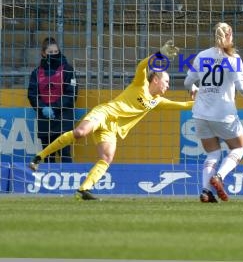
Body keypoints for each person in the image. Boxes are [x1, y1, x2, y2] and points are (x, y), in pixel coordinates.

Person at [28, 40, 194, 200]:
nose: (168, 86)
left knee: (106, 158)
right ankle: (39, 157)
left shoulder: (157, 101)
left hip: (112, 129)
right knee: (80, 132)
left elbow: (185, 105)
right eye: (166, 82)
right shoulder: (140, 84)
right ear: (156, 80)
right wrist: (159, 55)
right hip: (104, 113)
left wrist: (202, 98)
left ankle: (83, 189)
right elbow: (143, 66)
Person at [184, 22, 243, 203]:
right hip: (224, 114)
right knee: (239, 147)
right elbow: (241, 86)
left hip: (201, 114)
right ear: (230, 35)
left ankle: (205, 191)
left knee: (212, 153)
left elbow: (188, 82)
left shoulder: (202, 56)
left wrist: (194, 88)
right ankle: (219, 176)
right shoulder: (233, 58)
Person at [27, 37, 78, 163]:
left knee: (65, 154)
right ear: (43, 53)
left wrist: (54, 107)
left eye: (56, 52)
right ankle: (49, 181)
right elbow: (32, 94)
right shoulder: (36, 72)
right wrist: (42, 108)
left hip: (63, 119)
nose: (54, 55)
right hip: (45, 120)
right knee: (48, 156)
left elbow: (71, 94)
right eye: (51, 52)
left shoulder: (68, 70)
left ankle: (67, 181)